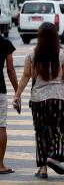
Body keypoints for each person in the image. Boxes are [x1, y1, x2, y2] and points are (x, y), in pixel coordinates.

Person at [13, 22, 64, 179]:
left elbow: (26, 75)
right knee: (58, 129)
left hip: (39, 99)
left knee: (41, 131)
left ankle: (43, 168)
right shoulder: (63, 53)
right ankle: (53, 156)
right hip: (59, 98)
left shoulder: (32, 53)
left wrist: (17, 95)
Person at [0, 35, 18, 174]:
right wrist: (17, 91)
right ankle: (0, 165)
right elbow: (10, 70)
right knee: (1, 126)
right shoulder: (4, 43)